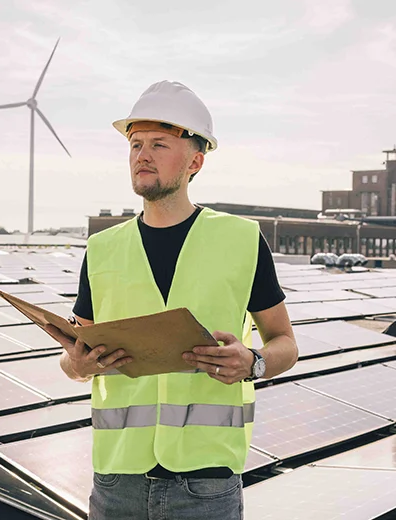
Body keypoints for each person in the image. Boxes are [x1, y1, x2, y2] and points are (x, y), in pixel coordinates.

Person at [44, 81, 298, 520]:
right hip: (117, 482)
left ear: (195, 161)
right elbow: (73, 359)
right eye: (136, 144)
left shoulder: (240, 239)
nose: (142, 155)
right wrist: (78, 365)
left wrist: (253, 363)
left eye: (159, 144)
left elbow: (285, 343)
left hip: (206, 482)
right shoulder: (102, 249)